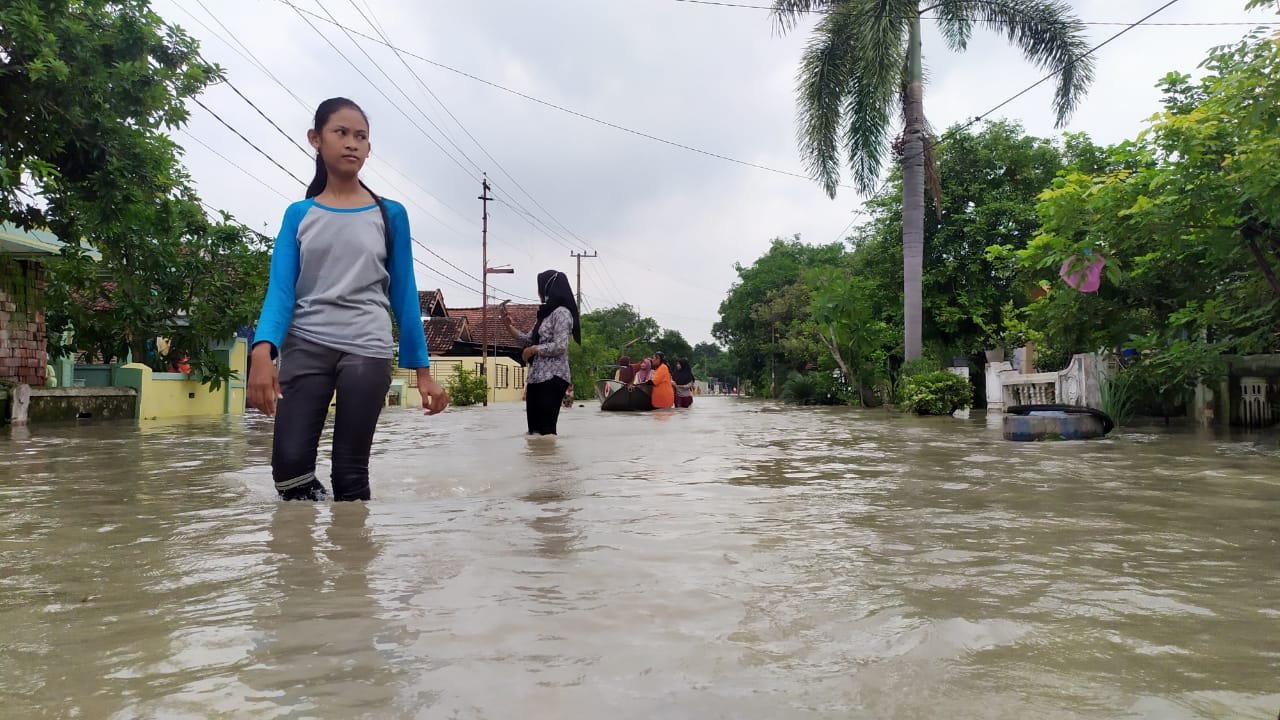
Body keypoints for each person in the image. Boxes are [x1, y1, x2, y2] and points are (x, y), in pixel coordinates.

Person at [247, 97, 449, 502]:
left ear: (369, 149)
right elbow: (281, 291)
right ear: (315, 139)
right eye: (341, 133)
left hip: (367, 347)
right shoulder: (298, 215)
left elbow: (404, 292)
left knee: (350, 472)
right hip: (306, 345)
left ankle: (352, 560)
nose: (352, 143)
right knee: (288, 471)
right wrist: (261, 352)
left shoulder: (390, 214)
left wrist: (422, 372)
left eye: (361, 137)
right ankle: (302, 558)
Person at [502, 270, 580, 435]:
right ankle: (539, 460)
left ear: (548, 288)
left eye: (539, 288)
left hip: (553, 378)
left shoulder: (562, 313)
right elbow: (528, 339)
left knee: (546, 431)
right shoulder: (545, 315)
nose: (538, 292)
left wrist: (534, 349)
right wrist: (508, 326)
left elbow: (561, 345)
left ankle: (550, 460)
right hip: (536, 377)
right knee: (534, 432)